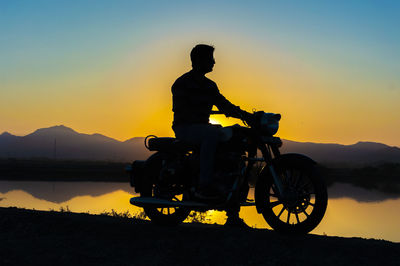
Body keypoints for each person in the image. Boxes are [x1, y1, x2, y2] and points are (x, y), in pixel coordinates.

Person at [171, 44, 251, 227]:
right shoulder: (182, 83)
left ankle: (233, 214)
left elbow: (225, 105)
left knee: (236, 142)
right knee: (211, 134)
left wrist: (248, 116)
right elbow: (182, 111)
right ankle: (204, 185)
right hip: (185, 128)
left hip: (203, 128)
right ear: (198, 60)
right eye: (210, 58)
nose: (214, 62)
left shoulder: (210, 85)